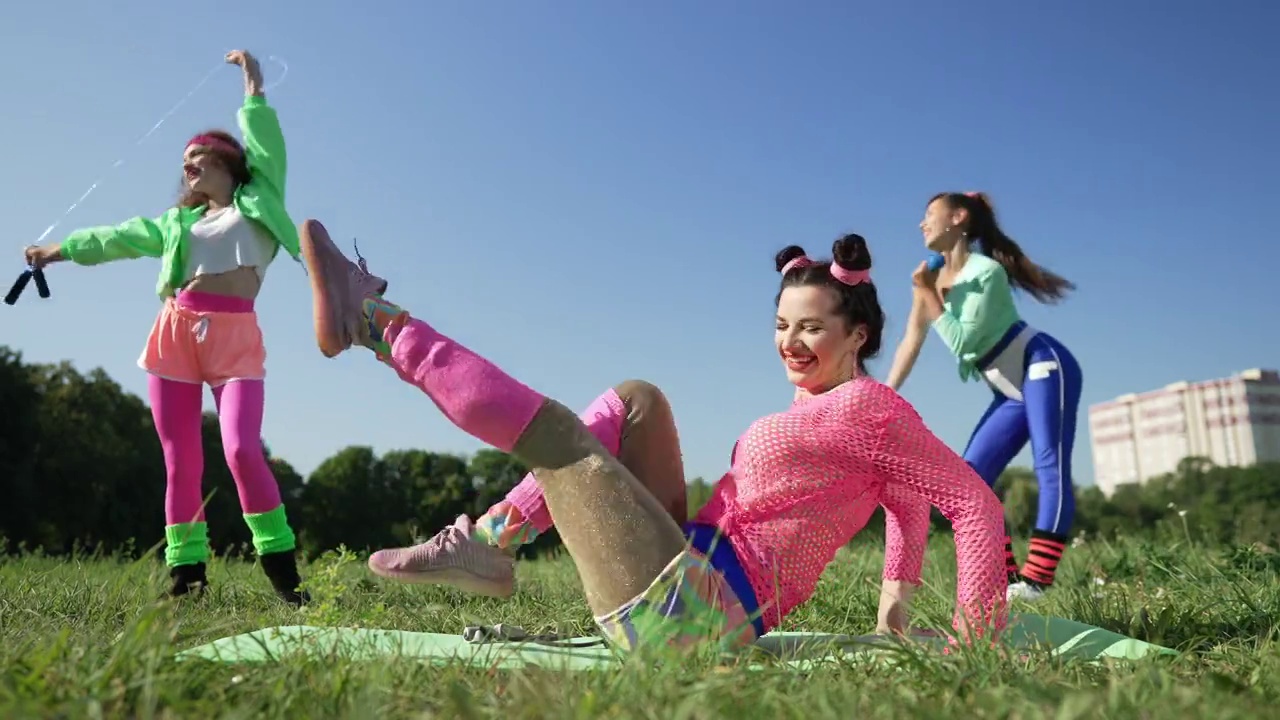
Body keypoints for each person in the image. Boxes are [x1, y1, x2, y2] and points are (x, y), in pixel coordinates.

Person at [299, 218, 1008, 651]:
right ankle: (491, 546)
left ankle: (377, 324)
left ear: (858, 334)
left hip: (698, 618)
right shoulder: (829, 417)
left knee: (557, 442)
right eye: (782, 325)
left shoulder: (869, 409)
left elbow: (972, 506)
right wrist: (893, 619)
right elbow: (904, 506)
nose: (791, 342)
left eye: (812, 327)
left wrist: (976, 644)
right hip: (685, 571)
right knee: (638, 400)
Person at [20, 50, 348, 606]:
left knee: (243, 450)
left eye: (198, 157)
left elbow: (268, 146)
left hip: (236, 339)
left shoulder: (259, 198)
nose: (188, 166)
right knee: (181, 463)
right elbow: (119, 237)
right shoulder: (178, 222)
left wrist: (254, 88)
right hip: (175, 335)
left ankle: (284, 577)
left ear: (227, 161)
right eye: (185, 160)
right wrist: (58, 250)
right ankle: (187, 581)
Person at [885, 191, 1082, 602]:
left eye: (929, 215)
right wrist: (883, 394)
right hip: (1008, 392)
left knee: (1049, 463)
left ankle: (1037, 584)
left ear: (958, 218)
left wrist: (928, 293)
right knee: (970, 479)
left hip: (1043, 365)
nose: (921, 225)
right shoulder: (930, 282)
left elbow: (963, 341)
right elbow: (910, 343)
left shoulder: (985, 272)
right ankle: (1008, 581)